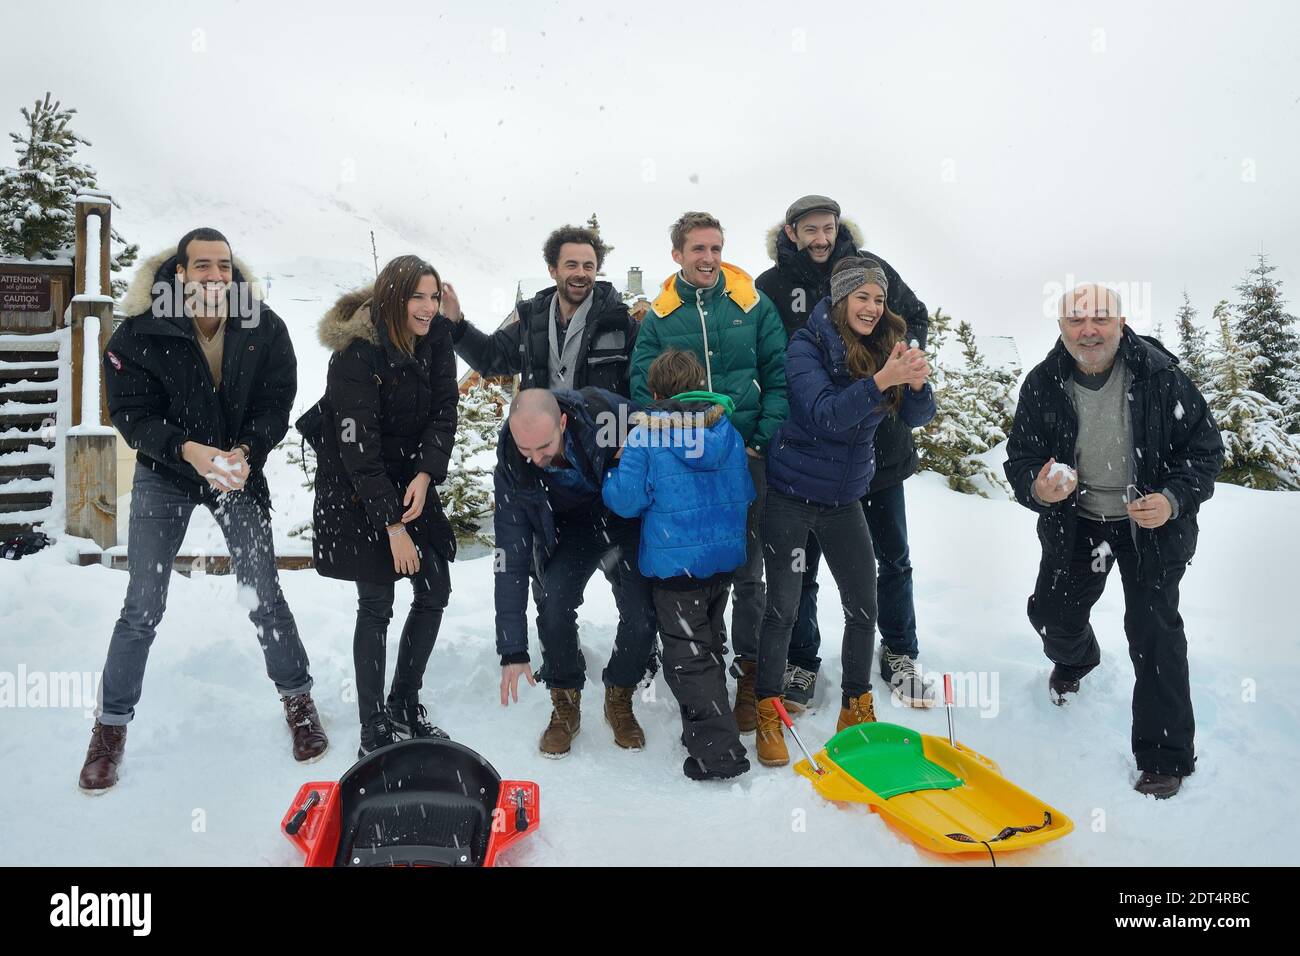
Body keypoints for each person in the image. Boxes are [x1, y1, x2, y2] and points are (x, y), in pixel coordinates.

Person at [79, 228, 327, 793]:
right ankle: (109, 730)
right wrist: (188, 450)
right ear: (181, 272)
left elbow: (275, 403)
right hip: (167, 473)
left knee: (264, 593)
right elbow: (131, 416)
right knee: (143, 604)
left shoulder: (263, 326)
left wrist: (245, 452)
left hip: (234, 474)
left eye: (224, 265)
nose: (216, 275)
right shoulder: (140, 331)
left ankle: (299, 702)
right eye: (203, 266)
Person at [1004, 283, 1223, 799]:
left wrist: (1171, 498)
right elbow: (1019, 459)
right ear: (1061, 329)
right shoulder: (1042, 383)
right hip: (1078, 525)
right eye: (1076, 320)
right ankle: (1077, 659)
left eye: (1100, 318)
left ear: (1121, 323)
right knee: (1052, 615)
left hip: (1148, 528)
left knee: (1154, 631)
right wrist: (1038, 485)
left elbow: (1206, 451)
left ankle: (1164, 757)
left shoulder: (1160, 376)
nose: (1089, 329)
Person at [754, 258, 934, 767]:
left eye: (879, 300)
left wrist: (915, 383)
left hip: (845, 500)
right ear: (840, 300)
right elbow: (825, 414)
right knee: (783, 607)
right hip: (791, 495)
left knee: (864, 605)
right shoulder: (806, 345)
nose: (873, 309)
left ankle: (856, 707)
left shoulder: (887, 343)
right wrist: (881, 380)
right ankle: (768, 709)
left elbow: (916, 416)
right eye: (862, 298)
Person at [630, 211, 788, 735]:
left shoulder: (750, 303)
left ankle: (749, 675)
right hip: (683, 465)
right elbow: (642, 386)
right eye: (698, 249)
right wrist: (671, 442)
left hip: (743, 460)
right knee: (703, 572)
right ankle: (707, 672)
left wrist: (759, 439)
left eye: (716, 248)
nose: (709, 258)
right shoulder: (661, 314)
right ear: (677, 255)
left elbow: (778, 374)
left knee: (748, 573)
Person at [304, 255, 459, 757]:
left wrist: (424, 473)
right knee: (377, 603)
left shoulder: (437, 340)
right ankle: (374, 726)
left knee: (435, 586)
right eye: (418, 296)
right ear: (392, 298)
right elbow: (357, 447)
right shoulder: (355, 354)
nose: (428, 307)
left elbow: (443, 412)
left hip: (411, 478)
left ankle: (403, 702)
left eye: (434, 297)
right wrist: (391, 525)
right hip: (357, 488)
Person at [602, 349, 755, 780]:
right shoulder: (726, 430)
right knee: (706, 639)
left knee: (687, 657)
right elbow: (744, 489)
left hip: (676, 567)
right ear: (700, 382)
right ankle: (718, 716)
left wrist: (613, 476)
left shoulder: (645, 437)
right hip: (721, 561)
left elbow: (627, 502)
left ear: (654, 391)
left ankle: (718, 752)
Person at [494, 387, 657, 757]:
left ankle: (620, 695)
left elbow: (661, 430)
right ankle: (565, 701)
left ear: (563, 422)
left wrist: (636, 451)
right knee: (552, 605)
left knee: (642, 612)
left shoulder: (608, 414)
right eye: (526, 449)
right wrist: (512, 649)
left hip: (622, 518)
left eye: (544, 447)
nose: (535, 459)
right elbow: (510, 553)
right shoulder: (511, 462)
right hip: (570, 529)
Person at [446, 224, 638, 394]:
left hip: (601, 433)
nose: (581, 273)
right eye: (571, 265)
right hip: (543, 433)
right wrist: (456, 323)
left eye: (588, 266)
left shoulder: (621, 325)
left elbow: (643, 387)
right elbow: (489, 356)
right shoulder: (533, 322)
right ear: (553, 270)